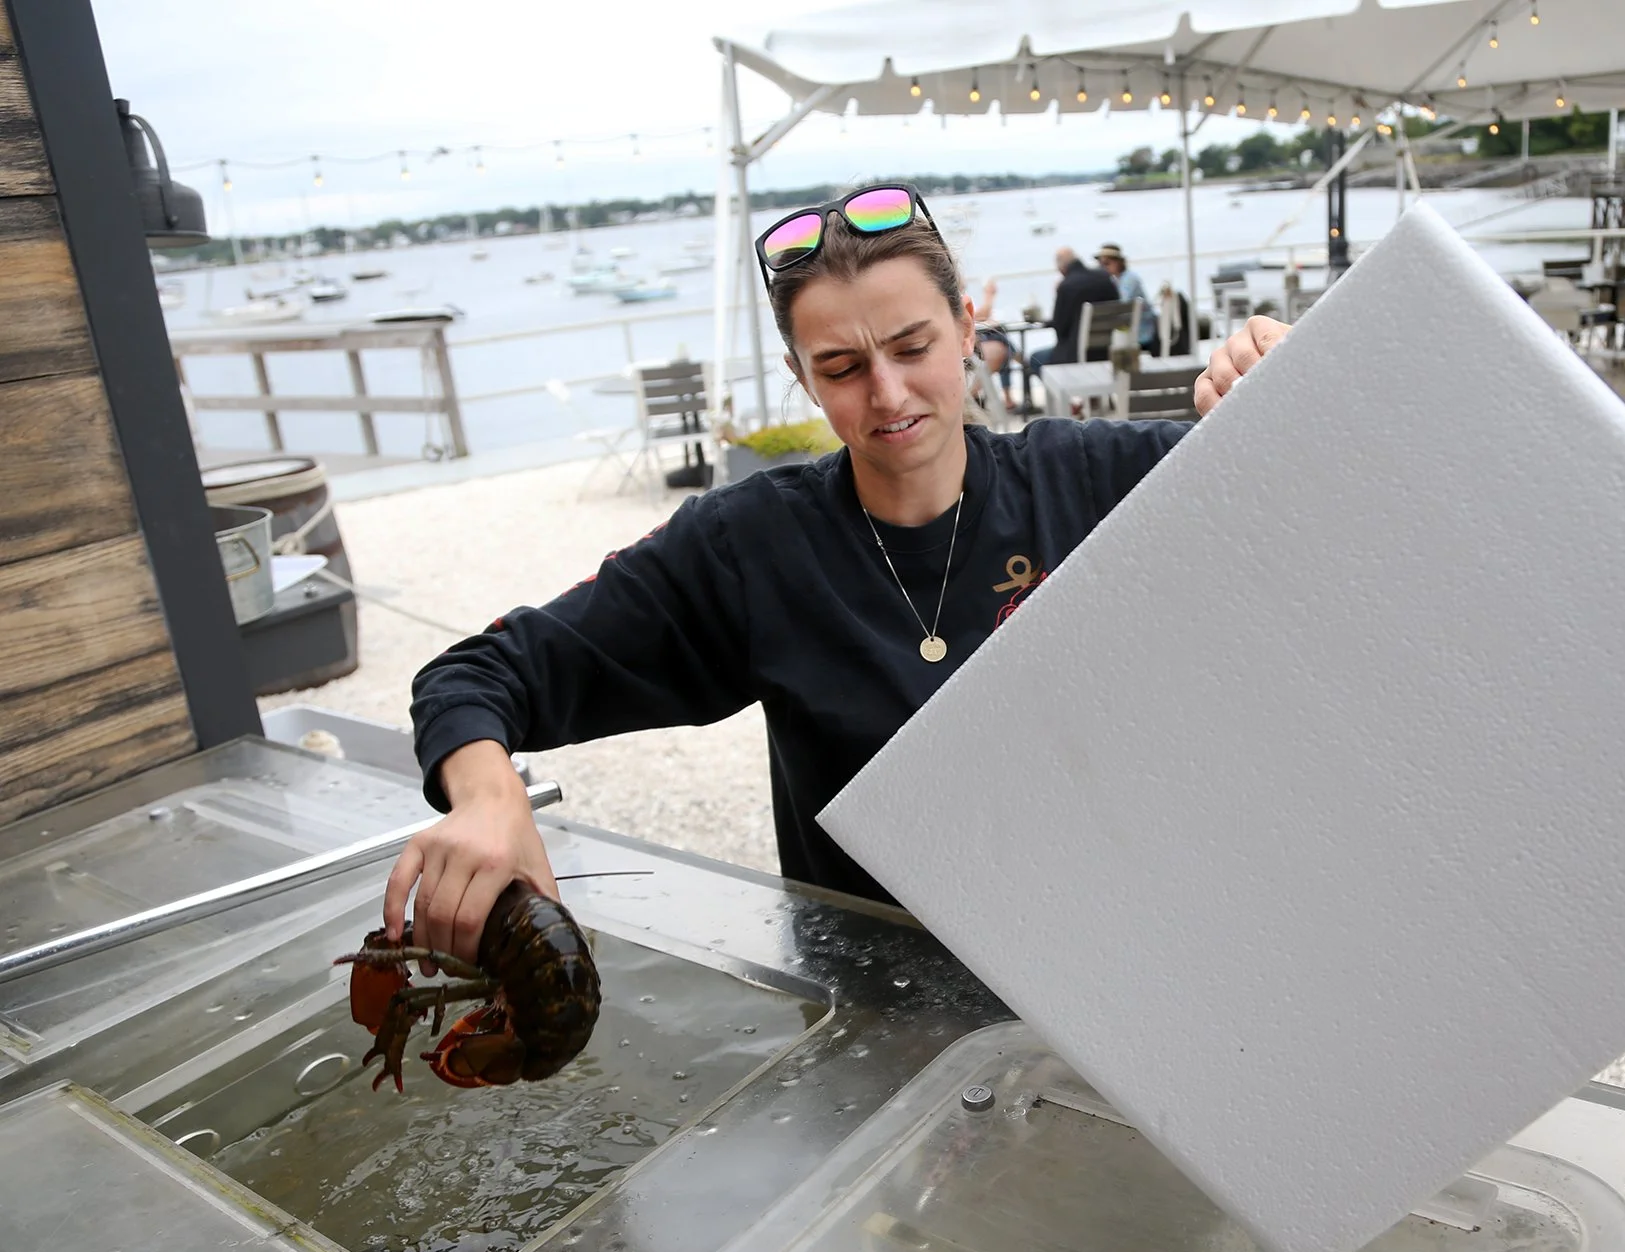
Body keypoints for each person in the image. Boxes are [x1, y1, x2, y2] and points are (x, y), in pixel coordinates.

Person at [378, 181, 1293, 964]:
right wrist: (491, 797)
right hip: (875, 1010)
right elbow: (476, 674)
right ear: (800, 375)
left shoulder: (1090, 480)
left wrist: (1280, 389)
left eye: (912, 346)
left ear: (969, 324)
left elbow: (1326, 501)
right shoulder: (752, 547)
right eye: (844, 367)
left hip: (1115, 967)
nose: (889, 394)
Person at [1024, 246, 1120, 399]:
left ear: (1062, 268)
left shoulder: (1067, 286)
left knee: (1036, 358)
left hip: (1075, 355)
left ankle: (1067, 403)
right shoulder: (1104, 278)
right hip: (1107, 351)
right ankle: (1093, 399)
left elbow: (1060, 328)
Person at [1095, 243, 1159, 355]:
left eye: (1107, 263)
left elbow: (1121, 305)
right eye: (1100, 264)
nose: (1103, 268)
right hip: (1128, 332)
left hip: (1140, 334)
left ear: (1118, 262)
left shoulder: (1129, 279)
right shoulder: (1116, 280)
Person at [967, 277, 1016, 412]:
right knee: (1006, 345)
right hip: (975, 344)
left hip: (977, 339)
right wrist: (989, 295)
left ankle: (1007, 396)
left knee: (1004, 342)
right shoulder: (954, 298)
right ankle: (1022, 360)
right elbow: (977, 316)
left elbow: (977, 316)